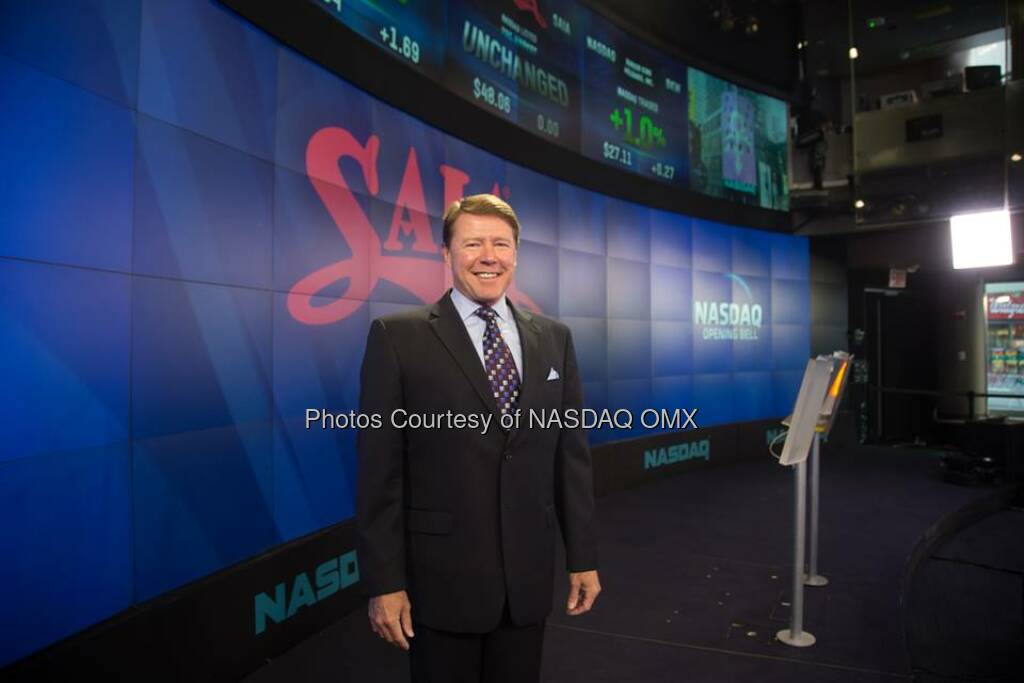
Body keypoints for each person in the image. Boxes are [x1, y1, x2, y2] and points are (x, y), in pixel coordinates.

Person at [356, 193, 601, 682]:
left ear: (516, 254)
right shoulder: (396, 336)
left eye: (501, 244)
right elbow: (379, 472)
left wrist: (583, 557)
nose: (489, 256)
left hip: (527, 581)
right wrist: (384, 582)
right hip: (440, 583)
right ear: (446, 254)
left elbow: (571, 460)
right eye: (472, 244)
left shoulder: (555, 338)